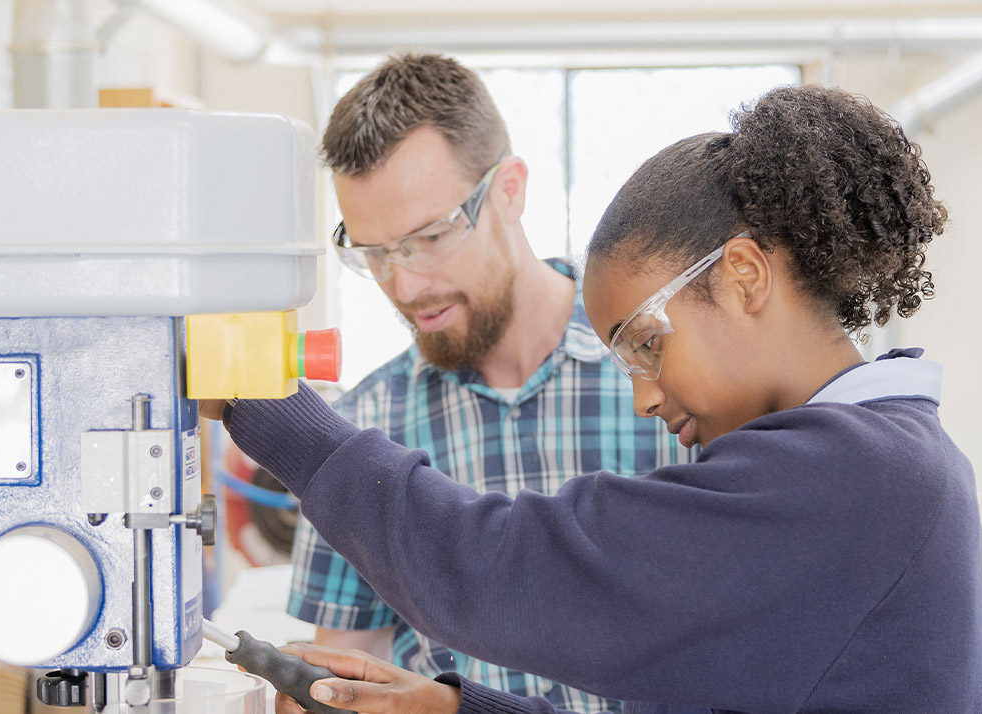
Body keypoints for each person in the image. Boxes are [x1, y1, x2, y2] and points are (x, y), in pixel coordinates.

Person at [210, 84, 982, 714]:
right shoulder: (882, 460)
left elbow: (499, 571)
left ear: (746, 276)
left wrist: (266, 405)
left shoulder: (856, 476)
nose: (644, 397)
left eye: (648, 344)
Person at [291, 51, 688, 714]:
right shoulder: (361, 431)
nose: (405, 284)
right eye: (375, 254)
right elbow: (347, 681)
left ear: (510, 188)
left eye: (430, 235)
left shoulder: (670, 381)